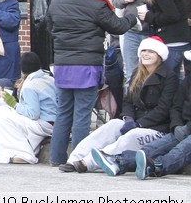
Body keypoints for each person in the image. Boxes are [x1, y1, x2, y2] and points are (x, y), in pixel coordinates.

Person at [48, 0, 138, 169]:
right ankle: (76, 158)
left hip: (62, 65)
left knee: (63, 112)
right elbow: (118, 27)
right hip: (86, 66)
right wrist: (132, 17)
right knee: (82, 114)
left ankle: (57, 157)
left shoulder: (57, 1)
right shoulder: (96, 3)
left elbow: (50, 27)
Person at [64, 36, 178, 172]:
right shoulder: (137, 73)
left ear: (159, 55)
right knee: (112, 125)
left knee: (131, 136)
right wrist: (128, 118)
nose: (146, 54)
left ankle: (88, 163)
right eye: (144, 50)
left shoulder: (169, 77)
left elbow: (163, 109)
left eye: (151, 51)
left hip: (156, 128)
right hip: (135, 121)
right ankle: (75, 158)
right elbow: (128, 101)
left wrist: (139, 123)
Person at [91, 49, 191, 179]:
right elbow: (176, 107)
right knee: (152, 148)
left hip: (187, 129)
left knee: (182, 148)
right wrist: (177, 125)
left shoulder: (169, 76)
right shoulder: (187, 81)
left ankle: (156, 166)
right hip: (182, 129)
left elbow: (164, 108)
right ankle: (119, 161)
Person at [135, 0, 190, 76]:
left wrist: (148, 16)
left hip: (171, 41)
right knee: (182, 79)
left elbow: (171, 15)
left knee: (168, 78)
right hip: (184, 38)